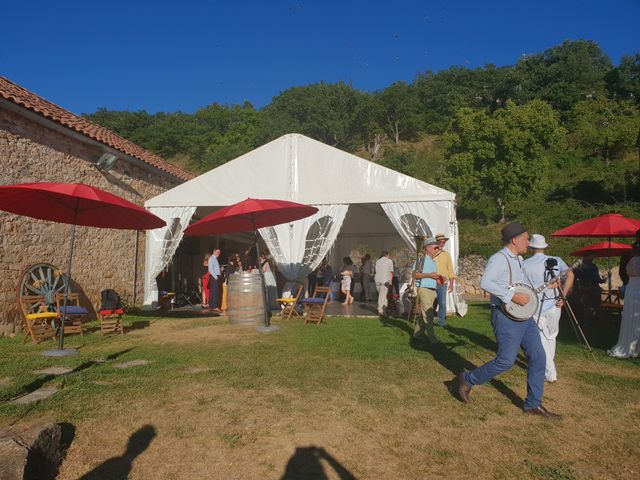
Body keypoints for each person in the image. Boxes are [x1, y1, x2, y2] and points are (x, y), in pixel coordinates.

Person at [455, 221, 561, 420]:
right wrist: (510, 296)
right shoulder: (499, 259)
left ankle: (533, 404)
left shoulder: (519, 260)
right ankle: (467, 379)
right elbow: (485, 282)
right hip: (505, 317)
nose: (528, 243)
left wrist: (547, 286)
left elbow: (523, 287)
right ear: (515, 240)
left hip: (524, 317)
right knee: (506, 360)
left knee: (539, 357)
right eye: (526, 238)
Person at [522, 234, 574, 383]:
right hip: (555, 303)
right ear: (544, 247)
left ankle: (550, 372)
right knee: (551, 336)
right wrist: (563, 295)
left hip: (536, 305)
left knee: (542, 338)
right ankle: (548, 365)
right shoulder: (556, 260)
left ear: (531, 247)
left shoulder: (525, 264)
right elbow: (570, 275)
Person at [608, 241, 640, 358]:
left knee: (630, 316)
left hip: (631, 289)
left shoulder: (631, 260)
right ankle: (635, 348)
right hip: (637, 288)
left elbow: (625, 273)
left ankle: (628, 344)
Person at [411, 238, 443, 344]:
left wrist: (438, 279)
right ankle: (433, 340)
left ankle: (416, 335)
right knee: (428, 315)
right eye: (435, 247)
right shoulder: (421, 260)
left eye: (437, 247)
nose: (437, 249)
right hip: (424, 289)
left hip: (432, 290)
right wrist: (430, 275)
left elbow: (431, 276)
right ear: (427, 248)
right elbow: (415, 275)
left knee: (424, 315)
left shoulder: (433, 261)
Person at [433, 233, 455, 327]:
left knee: (442, 303)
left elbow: (450, 270)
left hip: (443, 282)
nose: (442, 243)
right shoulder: (431, 253)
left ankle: (442, 322)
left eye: (444, 242)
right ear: (436, 243)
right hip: (431, 281)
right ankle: (427, 320)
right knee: (429, 302)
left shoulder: (446, 255)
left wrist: (451, 284)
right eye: (441, 242)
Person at [374, 251, 394, 315]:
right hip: (385, 280)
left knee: (382, 295)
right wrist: (390, 281)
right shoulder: (390, 261)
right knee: (382, 295)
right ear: (387, 255)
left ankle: (385, 307)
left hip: (377, 280)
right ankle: (380, 310)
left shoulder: (377, 261)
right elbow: (391, 272)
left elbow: (375, 271)